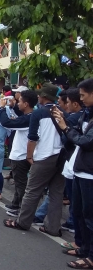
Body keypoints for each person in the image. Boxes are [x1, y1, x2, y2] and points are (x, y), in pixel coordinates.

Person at [3, 82, 64, 237]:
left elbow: (32, 138)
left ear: (43, 97)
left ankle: (22, 222)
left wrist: (29, 156)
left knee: (32, 191)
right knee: (56, 193)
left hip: (44, 156)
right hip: (61, 156)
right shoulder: (62, 111)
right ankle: (53, 227)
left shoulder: (38, 113)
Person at [52, 79, 93, 269]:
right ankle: (83, 248)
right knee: (78, 212)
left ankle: (90, 256)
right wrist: (66, 126)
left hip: (89, 174)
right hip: (79, 170)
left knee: (89, 216)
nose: (81, 98)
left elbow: (85, 141)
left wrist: (66, 128)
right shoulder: (86, 113)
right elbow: (77, 133)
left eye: (84, 95)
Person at [0, 90, 37, 217]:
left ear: (26, 104)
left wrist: (2, 109)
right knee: (19, 181)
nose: (17, 103)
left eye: (19, 101)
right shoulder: (32, 116)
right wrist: (12, 106)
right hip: (24, 154)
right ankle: (15, 205)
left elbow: (7, 123)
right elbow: (20, 114)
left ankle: (22, 210)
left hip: (21, 156)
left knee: (21, 184)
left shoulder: (28, 119)